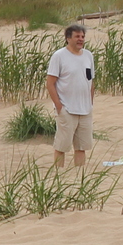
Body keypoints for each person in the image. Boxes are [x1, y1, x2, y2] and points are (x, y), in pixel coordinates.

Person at [44, 23, 95, 168]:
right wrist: (59, 106)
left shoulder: (88, 55)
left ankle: (79, 174)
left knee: (82, 146)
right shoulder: (59, 56)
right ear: (68, 38)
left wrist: (90, 103)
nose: (80, 39)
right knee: (62, 145)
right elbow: (50, 83)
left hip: (85, 109)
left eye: (82, 37)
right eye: (77, 36)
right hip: (67, 108)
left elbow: (91, 80)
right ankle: (58, 174)